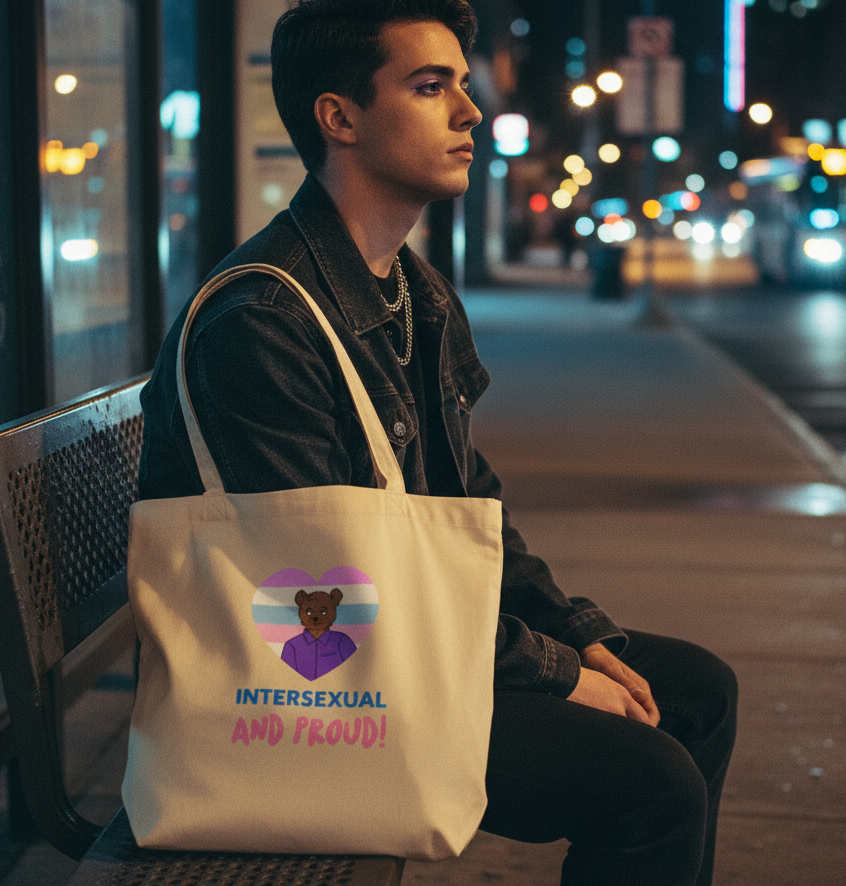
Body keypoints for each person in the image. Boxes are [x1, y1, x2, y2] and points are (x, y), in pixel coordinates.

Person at [138, 2, 737, 883]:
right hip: (320, 691)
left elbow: (469, 512)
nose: (468, 110)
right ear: (340, 118)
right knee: (651, 781)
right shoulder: (262, 318)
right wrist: (553, 672)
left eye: (462, 83)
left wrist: (579, 636)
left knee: (695, 690)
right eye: (430, 86)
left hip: (406, 644)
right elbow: (332, 587)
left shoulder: (416, 294)